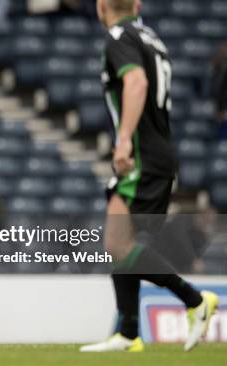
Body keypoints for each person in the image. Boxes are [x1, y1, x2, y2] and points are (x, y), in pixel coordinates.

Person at [80, 0, 218, 352]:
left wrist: (124, 139)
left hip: (143, 153)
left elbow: (137, 82)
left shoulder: (118, 36)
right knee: (119, 241)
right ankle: (128, 333)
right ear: (138, 5)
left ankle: (195, 301)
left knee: (117, 243)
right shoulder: (151, 38)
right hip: (159, 150)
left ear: (101, 7)